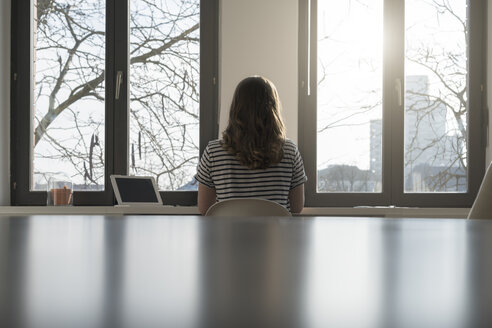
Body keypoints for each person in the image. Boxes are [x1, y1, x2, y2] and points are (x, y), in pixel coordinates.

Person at [195, 76, 307, 215]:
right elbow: (297, 207)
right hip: (276, 236)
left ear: (236, 108)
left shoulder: (213, 152)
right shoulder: (289, 151)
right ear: (273, 108)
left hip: (227, 236)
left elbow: (204, 208)